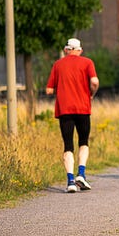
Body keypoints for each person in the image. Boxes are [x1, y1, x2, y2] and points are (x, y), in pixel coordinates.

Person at [45, 38, 99, 193]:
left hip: (64, 110)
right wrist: (91, 94)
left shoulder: (57, 65)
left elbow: (49, 90)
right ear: (80, 50)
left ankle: (70, 182)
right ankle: (81, 174)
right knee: (83, 141)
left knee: (68, 145)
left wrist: (60, 90)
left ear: (66, 49)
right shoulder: (87, 62)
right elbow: (94, 81)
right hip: (83, 108)